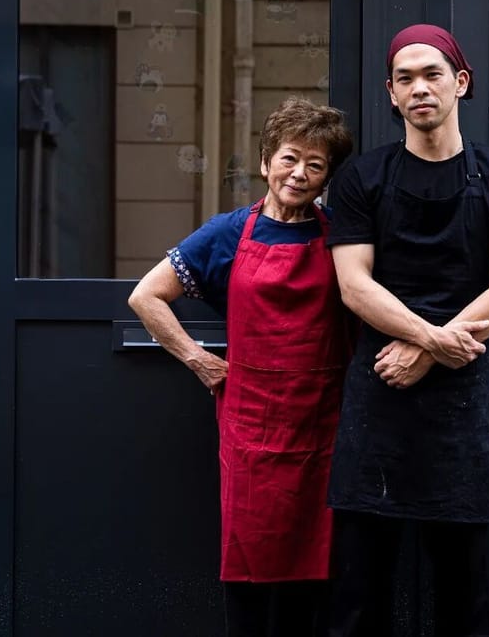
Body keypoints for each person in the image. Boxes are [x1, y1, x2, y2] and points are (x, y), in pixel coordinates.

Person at [324, 24, 489, 636]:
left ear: (460, 83)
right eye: (405, 79)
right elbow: (354, 285)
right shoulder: (360, 180)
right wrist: (433, 339)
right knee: (358, 594)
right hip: (380, 394)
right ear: (392, 95)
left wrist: (429, 348)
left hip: (464, 401)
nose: (419, 87)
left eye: (432, 74)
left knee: (463, 594)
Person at [128, 97, 355, 637]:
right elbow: (145, 297)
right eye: (289, 158)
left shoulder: (343, 238)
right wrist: (198, 359)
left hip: (325, 422)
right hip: (251, 422)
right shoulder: (228, 233)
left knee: (320, 564)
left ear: (327, 178)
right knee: (250, 559)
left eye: (316, 165)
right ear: (265, 163)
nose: (299, 174)